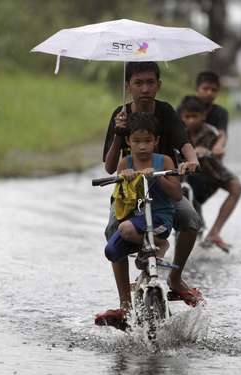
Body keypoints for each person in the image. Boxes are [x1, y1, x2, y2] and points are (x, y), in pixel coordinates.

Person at [100, 62, 202, 316]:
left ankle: (176, 280)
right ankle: (124, 305)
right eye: (138, 83)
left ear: (158, 85)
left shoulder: (166, 111)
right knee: (113, 229)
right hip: (130, 194)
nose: (145, 88)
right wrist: (117, 133)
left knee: (190, 219)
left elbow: (184, 141)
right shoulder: (119, 114)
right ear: (128, 87)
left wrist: (192, 160)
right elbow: (109, 167)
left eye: (150, 82)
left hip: (163, 187)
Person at [95, 113, 183, 328]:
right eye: (137, 141)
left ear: (156, 141)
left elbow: (177, 195)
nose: (142, 146)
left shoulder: (165, 161)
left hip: (159, 217)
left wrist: (158, 176)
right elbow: (121, 196)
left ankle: (160, 244)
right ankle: (127, 304)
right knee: (111, 251)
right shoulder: (126, 161)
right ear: (128, 142)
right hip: (137, 217)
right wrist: (126, 176)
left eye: (147, 141)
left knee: (125, 229)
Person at [178, 95, 241, 252]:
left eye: (195, 116)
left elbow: (219, 153)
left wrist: (208, 151)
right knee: (185, 194)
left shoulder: (210, 133)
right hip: (186, 175)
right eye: (187, 116)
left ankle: (214, 232)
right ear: (181, 116)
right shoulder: (178, 132)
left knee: (237, 187)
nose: (191, 120)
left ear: (204, 116)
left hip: (211, 171)